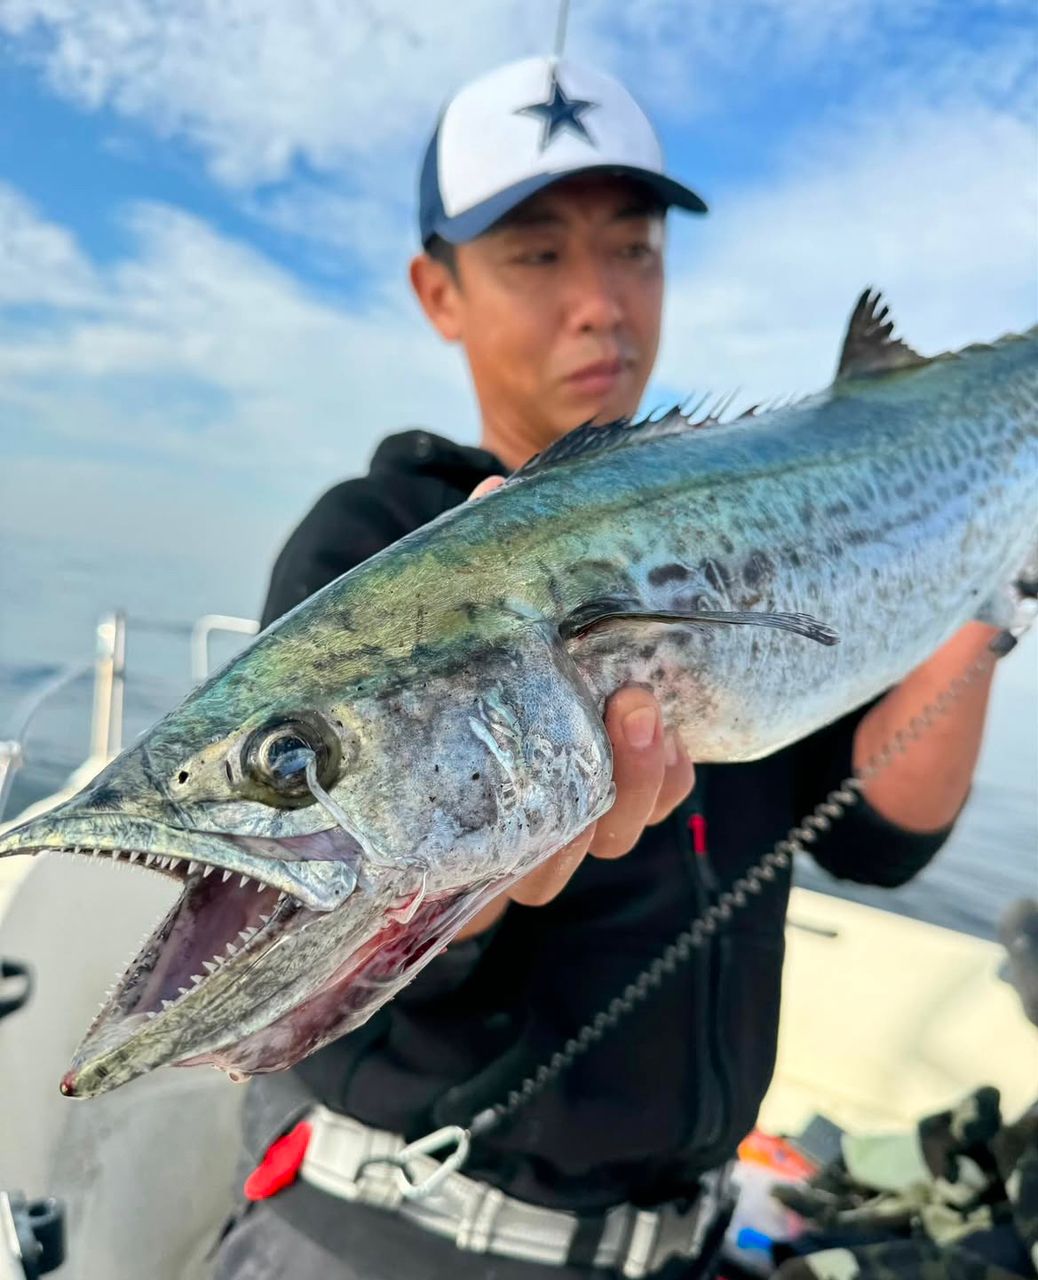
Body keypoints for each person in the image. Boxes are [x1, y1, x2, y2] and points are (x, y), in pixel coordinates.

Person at [211, 54, 1002, 1280]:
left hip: (684, 1244)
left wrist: (984, 582)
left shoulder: (747, 529)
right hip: (399, 1239)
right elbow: (335, 948)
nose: (602, 300)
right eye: (537, 254)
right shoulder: (371, 543)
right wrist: (458, 870)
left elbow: (872, 837)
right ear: (440, 291)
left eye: (633, 248)